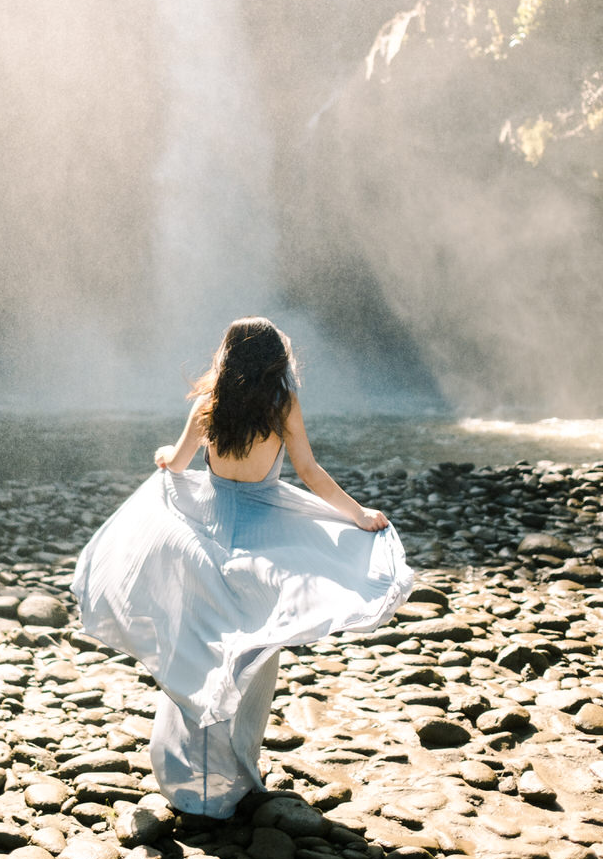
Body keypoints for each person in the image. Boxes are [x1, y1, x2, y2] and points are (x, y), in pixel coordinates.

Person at [72, 317, 414, 819]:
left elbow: (179, 462)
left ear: (228, 356)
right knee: (253, 652)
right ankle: (239, 773)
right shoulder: (281, 404)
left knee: (197, 652)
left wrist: (166, 453)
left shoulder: (209, 402)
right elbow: (309, 472)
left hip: (204, 537)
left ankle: (188, 778)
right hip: (262, 539)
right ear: (275, 359)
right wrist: (359, 515)